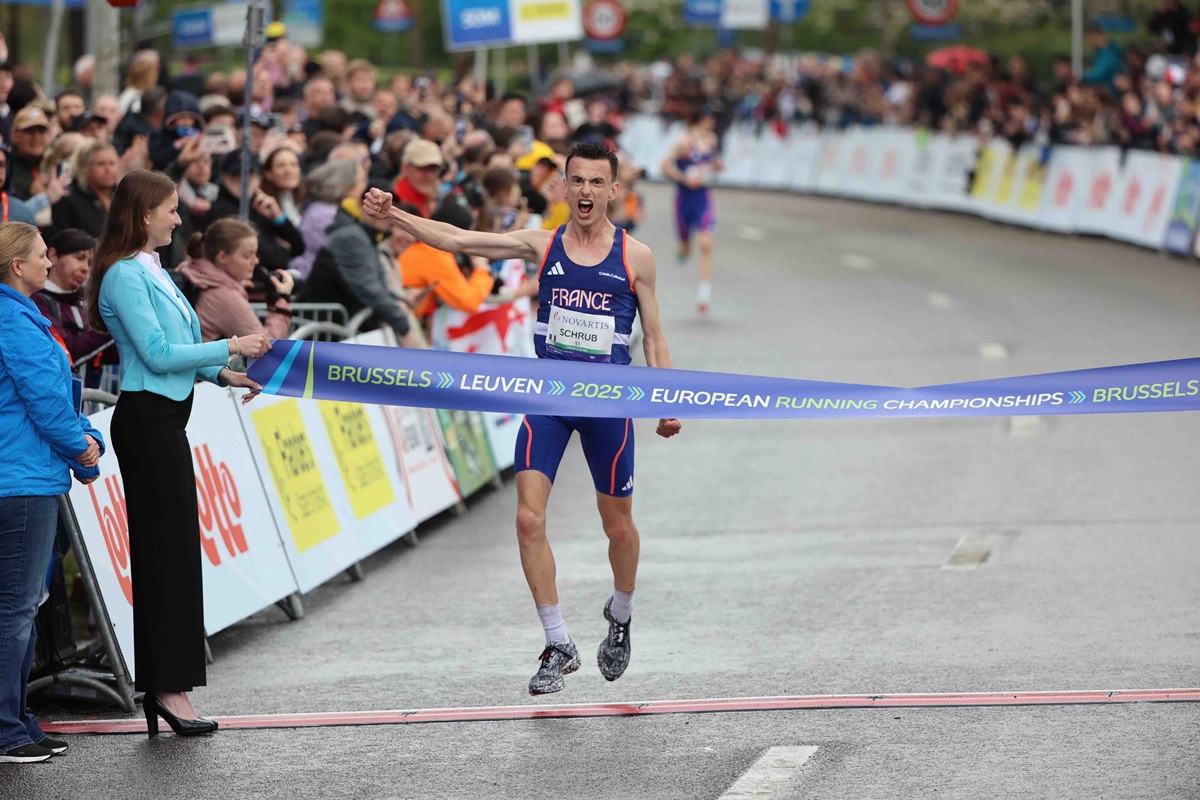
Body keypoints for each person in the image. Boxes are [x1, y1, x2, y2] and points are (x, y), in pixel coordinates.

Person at [365, 141, 682, 696]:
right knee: (529, 520)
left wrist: (666, 399)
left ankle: (622, 612)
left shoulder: (637, 257)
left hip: (608, 406)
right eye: (575, 181)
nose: (585, 191)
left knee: (617, 526)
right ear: (562, 186)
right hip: (548, 398)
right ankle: (557, 641)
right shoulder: (543, 244)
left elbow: (653, 335)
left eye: (595, 183)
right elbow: (459, 239)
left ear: (613, 190)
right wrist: (394, 215)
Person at [85, 170, 268, 737]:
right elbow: (159, 355)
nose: (178, 218)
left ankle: (175, 685)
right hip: (147, 423)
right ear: (143, 214)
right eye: (169, 209)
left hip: (167, 419)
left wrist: (222, 374)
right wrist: (233, 344)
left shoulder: (150, 269)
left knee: (179, 556)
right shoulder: (121, 275)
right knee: (165, 558)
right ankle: (165, 688)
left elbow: (178, 353)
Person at [0, 221, 104, 763]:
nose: (50, 262)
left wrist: (81, 440)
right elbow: (47, 404)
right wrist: (85, 448)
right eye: (43, 256)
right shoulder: (14, 319)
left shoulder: (20, 314)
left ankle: (17, 720)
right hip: (20, 478)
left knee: (18, 606)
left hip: (21, 472)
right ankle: (7, 729)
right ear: (18, 266)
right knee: (15, 609)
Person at [177, 217, 293, 344]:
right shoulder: (224, 295)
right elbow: (265, 343)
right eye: (247, 256)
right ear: (222, 257)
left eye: (256, 254)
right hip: (211, 364)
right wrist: (282, 300)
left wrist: (239, 287)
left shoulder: (195, 273)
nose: (256, 261)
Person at [660, 106, 723, 314]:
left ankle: (704, 294)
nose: (713, 122)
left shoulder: (712, 140)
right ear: (702, 118)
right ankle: (684, 246)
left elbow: (710, 161)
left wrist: (716, 165)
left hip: (703, 198)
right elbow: (664, 165)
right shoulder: (684, 142)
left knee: (706, 243)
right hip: (684, 199)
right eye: (711, 117)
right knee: (687, 246)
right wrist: (684, 178)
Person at [32, 229, 117, 375]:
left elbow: (107, 355)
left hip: (88, 395)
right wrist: (112, 319)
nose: (86, 268)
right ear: (53, 255)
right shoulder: (36, 301)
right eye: (79, 257)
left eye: (90, 263)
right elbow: (68, 349)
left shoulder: (84, 304)